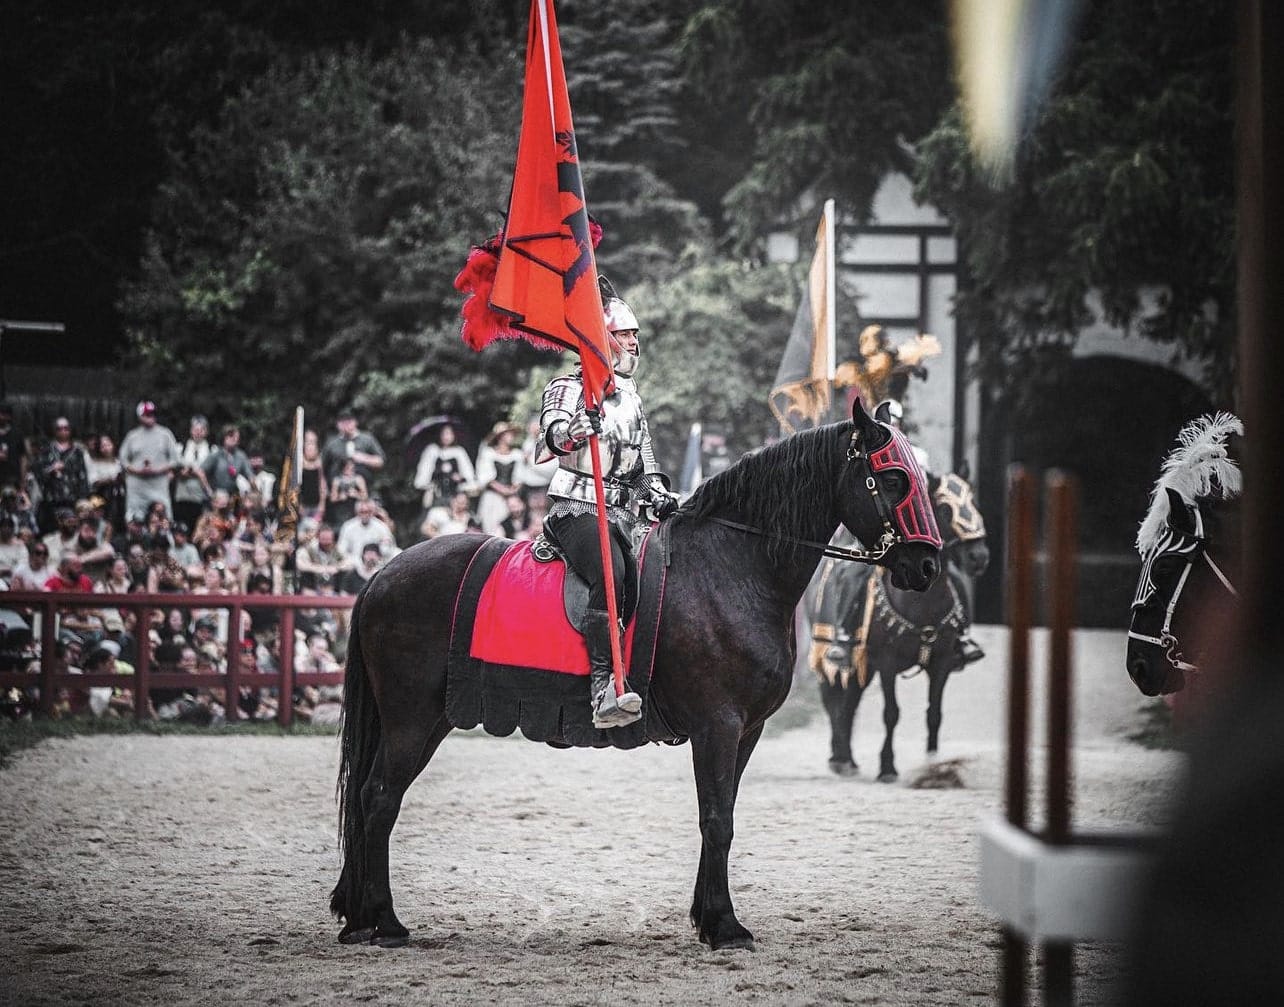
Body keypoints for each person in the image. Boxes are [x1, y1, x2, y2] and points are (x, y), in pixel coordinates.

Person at [536, 292, 678, 728]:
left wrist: (656, 492)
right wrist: (575, 430)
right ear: (603, 339)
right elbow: (548, 439)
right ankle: (603, 686)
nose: (635, 343)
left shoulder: (632, 396)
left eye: (635, 335)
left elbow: (643, 460)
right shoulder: (568, 386)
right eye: (625, 335)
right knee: (610, 573)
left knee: (644, 579)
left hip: (621, 513)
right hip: (575, 507)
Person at [119, 401, 180, 521]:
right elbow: (123, 459)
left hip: (159, 485)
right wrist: (137, 470)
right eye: (147, 414)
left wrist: (157, 470)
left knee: (165, 518)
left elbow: (175, 460)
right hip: (137, 486)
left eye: (152, 414)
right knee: (135, 519)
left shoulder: (165, 434)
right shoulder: (132, 436)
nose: (151, 417)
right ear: (140, 416)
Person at [35, 417, 90, 533]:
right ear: (55, 431)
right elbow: (38, 474)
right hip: (51, 500)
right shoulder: (46, 450)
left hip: (72, 500)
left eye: (66, 428)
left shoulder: (78, 452)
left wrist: (82, 500)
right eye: (59, 429)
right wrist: (52, 469)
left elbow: (83, 476)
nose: (63, 431)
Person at [474, 421, 526, 536]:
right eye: (508, 434)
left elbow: (519, 477)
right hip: (493, 497)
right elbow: (486, 478)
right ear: (500, 437)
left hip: (511, 498)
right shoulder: (489, 453)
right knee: (492, 530)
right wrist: (504, 491)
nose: (511, 437)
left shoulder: (517, 454)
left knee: (511, 529)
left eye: (512, 434)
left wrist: (512, 492)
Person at [413, 424, 475, 514]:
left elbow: (467, 473)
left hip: (455, 493)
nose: (446, 437)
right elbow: (424, 472)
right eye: (444, 434)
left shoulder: (459, 452)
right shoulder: (432, 450)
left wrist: (459, 478)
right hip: (436, 493)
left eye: (449, 434)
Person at [321, 409, 385, 493]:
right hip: (338, 493)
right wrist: (323, 485)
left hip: (364, 492)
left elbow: (380, 461)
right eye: (342, 422)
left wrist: (363, 458)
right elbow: (321, 466)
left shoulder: (367, 439)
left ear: (355, 422)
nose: (346, 425)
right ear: (337, 425)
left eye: (349, 421)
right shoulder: (331, 443)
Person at [173, 415, 212, 531]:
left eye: (201, 430)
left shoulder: (211, 450)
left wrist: (191, 471)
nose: (198, 433)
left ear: (206, 431)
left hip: (200, 497)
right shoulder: (181, 448)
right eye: (195, 429)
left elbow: (209, 472)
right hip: (182, 496)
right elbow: (174, 468)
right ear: (191, 430)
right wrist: (189, 473)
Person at [201, 424, 253, 499]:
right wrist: (209, 491)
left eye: (236, 437)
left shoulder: (241, 456)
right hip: (216, 494)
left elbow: (250, 475)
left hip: (234, 495)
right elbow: (201, 471)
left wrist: (255, 491)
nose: (234, 439)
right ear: (224, 437)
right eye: (230, 435)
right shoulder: (216, 454)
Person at [0, 403, 29, 495]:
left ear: (9, 416)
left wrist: (23, 480)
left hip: (12, 479)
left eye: (3, 414)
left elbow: (23, 458)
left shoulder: (17, 434)